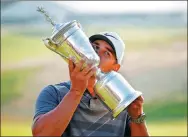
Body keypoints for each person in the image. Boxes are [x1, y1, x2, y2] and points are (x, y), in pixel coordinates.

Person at [32, 32, 149, 136]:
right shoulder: (54, 93)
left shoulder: (122, 103)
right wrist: (76, 91)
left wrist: (137, 117)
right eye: (94, 47)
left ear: (115, 68)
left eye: (107, 53)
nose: (97, 54)